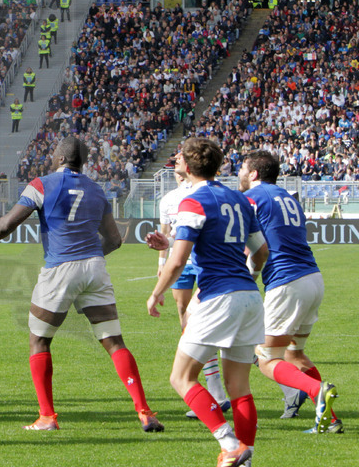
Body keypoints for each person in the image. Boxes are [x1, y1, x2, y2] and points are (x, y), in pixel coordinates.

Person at [0, 137, 163, 433]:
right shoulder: (96, 190)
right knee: (113, 341)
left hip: (60, 268)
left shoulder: (42, 184)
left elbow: (9, 223)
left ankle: (47, 417)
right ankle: (144, 411)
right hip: (95, 269)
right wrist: (91, 257)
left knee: (40, 340)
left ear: (60, 158)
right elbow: (114, 240)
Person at [146, 138, 269, 467]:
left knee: (181, 378)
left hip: (218, 297)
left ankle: (229, 444)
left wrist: (156, 292)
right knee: (239, 386)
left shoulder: (192, 201)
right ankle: (246, 455)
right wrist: (247, 277)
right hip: (248, 296)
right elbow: (261, 253)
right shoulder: (241, 200)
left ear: (187, 165)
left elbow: (177, 262)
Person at [237, 150, 340, 433]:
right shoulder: (287, 197)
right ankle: (330, 420)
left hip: (287, 281)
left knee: (265, 356)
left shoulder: (254, 197)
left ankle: (317, 391)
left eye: (242, 169)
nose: (239, 174)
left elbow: (249, 240)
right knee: (294, 354)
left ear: (254, 174)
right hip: (312, 278)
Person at [156, 165, 230, 417]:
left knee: (203, 326)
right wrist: (161, 262)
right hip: (187, 266)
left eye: (180, 162)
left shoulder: (203, 195)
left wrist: (156, 291)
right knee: (186, 319)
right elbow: (166, 233)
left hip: (203, 265)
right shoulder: (169, 199)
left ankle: (213, 394)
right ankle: (216, 392)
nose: (177, 169)